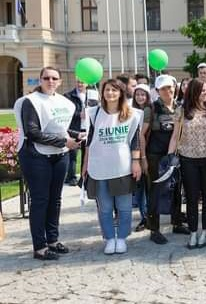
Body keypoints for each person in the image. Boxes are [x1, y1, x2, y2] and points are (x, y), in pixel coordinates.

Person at [14, 67, 82, 260]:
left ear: (60, 81)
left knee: (55, 199)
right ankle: (40, 246)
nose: (50, 81)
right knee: (40, 200)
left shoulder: (63, 102)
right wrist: (64, 142)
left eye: (54, 78)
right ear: (40, 80)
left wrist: (78, 135)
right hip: (35, 155)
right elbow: (33, 133)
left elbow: (63, 129)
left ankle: (53, 239)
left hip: (59, 155)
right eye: (46, 78)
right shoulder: (31, 102)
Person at [82, 79, 143, 255]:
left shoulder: (132, 114)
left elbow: (135, 141)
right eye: (107, 90)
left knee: (124, 206)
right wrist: (85, 165)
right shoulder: (94, 114)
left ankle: (122, 237)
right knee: (105, 207)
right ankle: (109, 238)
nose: (110, 93)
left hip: (122, 167)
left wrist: (136, 162)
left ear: (121, 93)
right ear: (102, 93)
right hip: (99, 167)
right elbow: (89, 143)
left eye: (114, 90)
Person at [168, 79, 206, 249]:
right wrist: (170, 159)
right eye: (202, 90)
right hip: (187, 159)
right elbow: (175, 135)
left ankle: (205, 231)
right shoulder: (182, 110)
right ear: (193, 91)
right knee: (191, 198)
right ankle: (192, 232)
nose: (205, 93)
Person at [144, 75, 188, 245]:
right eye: (163, 89)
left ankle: (176, 222)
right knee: (155, 191)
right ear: (157, 91)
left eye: (170, 87)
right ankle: (154, 229)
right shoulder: (151, 109)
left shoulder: (179, 107)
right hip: (155, 156)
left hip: (175, 155)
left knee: (176, 188)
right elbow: (141, 135)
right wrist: (142, 159)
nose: (167, 91)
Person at [131, 84, 153, 232]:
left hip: (142, 151)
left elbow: (140, 134)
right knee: (139, 188)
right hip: (133, 151)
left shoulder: (147, 110)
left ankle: (147, 217)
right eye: (137, 94)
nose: (140, 97)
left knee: (144, 187)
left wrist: (141, 157)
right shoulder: (132, 110)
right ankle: (144, 216)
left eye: (143, 95)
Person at [63, 79, 86, 186]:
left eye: (82, 82)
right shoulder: (68, 96)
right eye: (78, 82)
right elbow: (65, 111)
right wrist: (78, 114)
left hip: (86, 129)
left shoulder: (92, 95)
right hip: (74, 129)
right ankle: (71, 177)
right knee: (72, 155)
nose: (80, 84)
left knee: (86, 155)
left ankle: (83, 177)